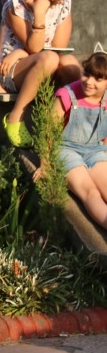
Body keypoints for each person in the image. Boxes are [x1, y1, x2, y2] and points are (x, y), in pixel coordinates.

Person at [0, 0, 77, 147]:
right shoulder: (15, 8)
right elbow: (36, 48)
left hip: (44, 64)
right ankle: (16, 116)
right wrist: (39, 13)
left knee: (70, 63)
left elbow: (59, 47)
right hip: (13, 69)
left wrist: (21, 52)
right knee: (49, 58)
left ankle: (66, 121)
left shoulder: (62, 6)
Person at [44, 52, 107, 230]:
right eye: (86, 74)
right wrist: (45, 162)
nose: (89, 81)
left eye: (98, 79)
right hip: (65, 150)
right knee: (90, 192)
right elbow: (48, 130)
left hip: (94, 150)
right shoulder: (67, 95)